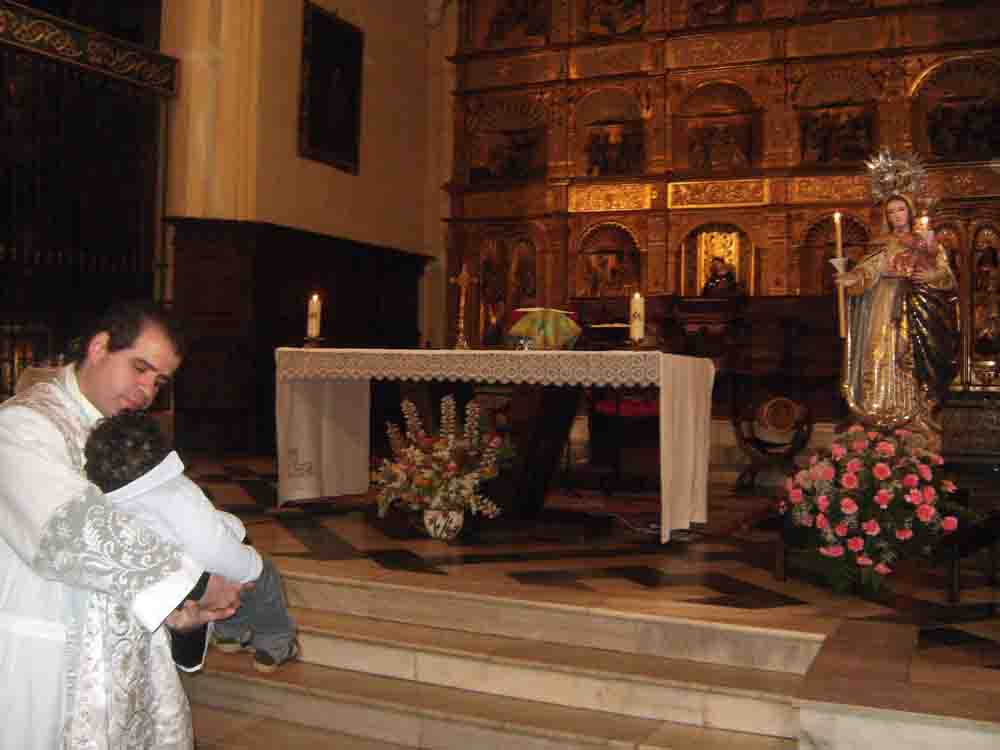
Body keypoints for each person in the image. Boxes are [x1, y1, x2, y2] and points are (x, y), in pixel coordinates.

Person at [0, 299, 245, 749]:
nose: (147, 390)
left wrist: (183, 616)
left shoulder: (134, 443)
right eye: (139, 368)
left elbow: (166, 534)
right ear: (98, 347)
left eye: (159, 381)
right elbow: (69, 530)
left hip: (129, 667)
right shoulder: (22, 426)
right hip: (54, 665)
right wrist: (195, 584)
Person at [85, 409, 298, 673]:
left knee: (234, 568)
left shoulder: (108, 498)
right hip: (195, 574)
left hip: (165, 581)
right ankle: (277, 638)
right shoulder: (174, 490)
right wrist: (248, 565)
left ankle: (230, 632)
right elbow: (211, 546)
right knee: (262, 573)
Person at [835, 194, 959, 450]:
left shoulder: (927, 241)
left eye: (901, 210)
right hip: (882, 308)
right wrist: (853, 277)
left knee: (908, 357)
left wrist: (930, 275)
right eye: (891, 212)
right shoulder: (882, 243)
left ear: (910, 212)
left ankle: (913, 416)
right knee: (878, 355)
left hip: (915, 310)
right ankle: (878, 412)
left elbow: (948, 277)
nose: (896, 216)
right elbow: (870, 270)